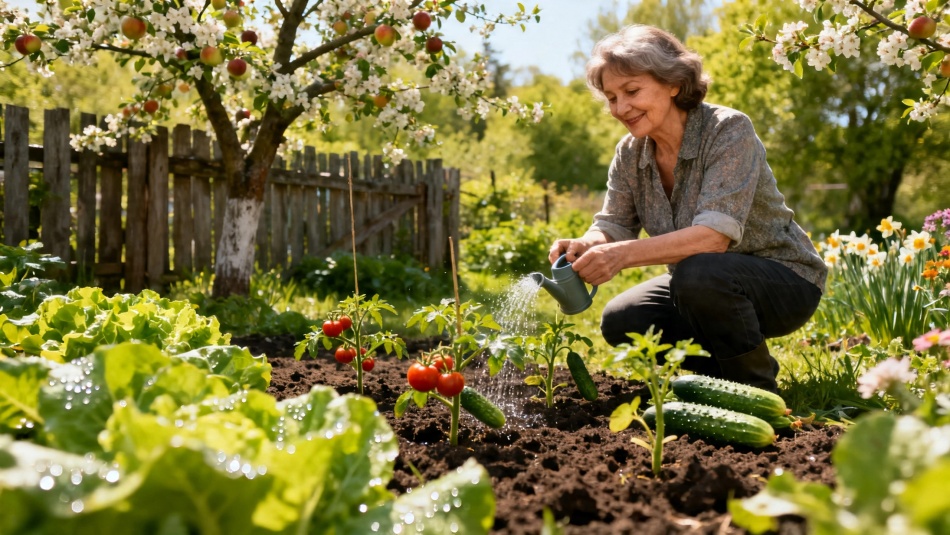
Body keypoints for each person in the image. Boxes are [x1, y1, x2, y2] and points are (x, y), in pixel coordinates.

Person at [548, 25, 828, 394]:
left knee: (700, 272)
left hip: (784, 281)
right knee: (624, 319)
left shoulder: (727, 130)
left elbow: (713, 238)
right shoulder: (630, 154)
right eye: (612, 97)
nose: (620, 108)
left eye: (632, 91)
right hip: (699, 284)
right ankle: (716, 382)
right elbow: (614, 222)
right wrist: (588, 243)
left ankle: (757, 390)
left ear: (674, 83)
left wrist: (618, 256)